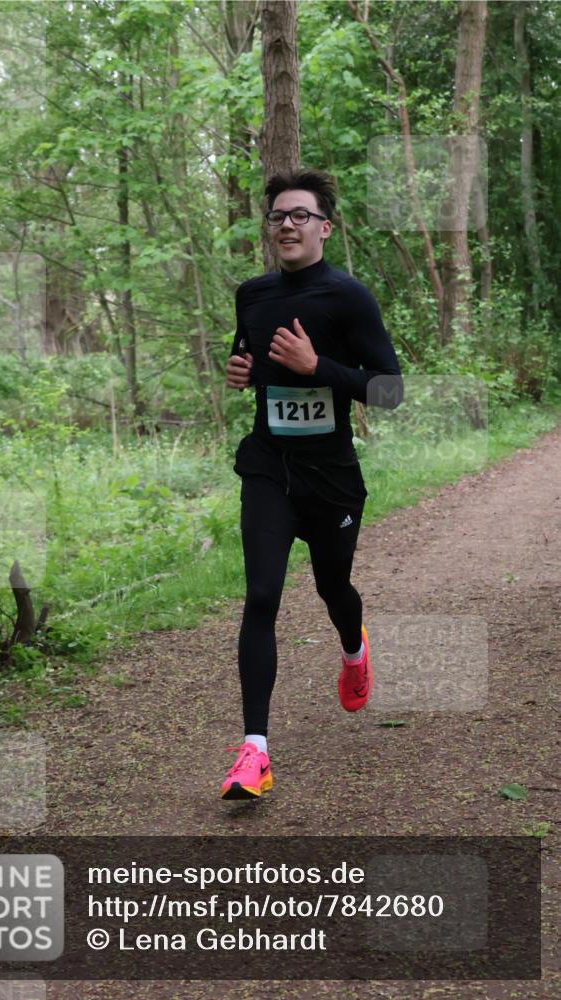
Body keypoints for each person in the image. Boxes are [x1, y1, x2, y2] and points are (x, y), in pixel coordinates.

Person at [221, 169, 403, 800]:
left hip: (330, 479)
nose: (288, 225)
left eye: (301, 215)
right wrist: (242, 370)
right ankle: (254, 754)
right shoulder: (252, 294)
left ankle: (353, 650)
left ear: (325, 226)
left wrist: (317, 367)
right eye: (277, 216)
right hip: (268, 467)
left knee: (333, 587)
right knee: (262, 594)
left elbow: (388, 390)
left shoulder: (349, 298)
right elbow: (249, 355)